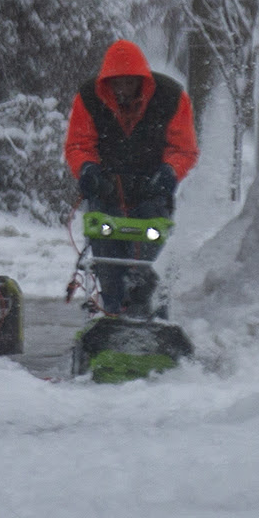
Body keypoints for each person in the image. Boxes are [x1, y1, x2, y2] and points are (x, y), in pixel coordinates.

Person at [64, 39, 198, 315]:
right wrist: (87, 169)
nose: (123, 89)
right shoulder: (89, 98)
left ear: (141, 81)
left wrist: (169, 172)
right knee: (107, 257)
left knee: (148, 260)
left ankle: (147, 310)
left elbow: (184, 148)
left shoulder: (171, 97)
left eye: (128, 83)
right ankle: (112, 309)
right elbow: (79, 144)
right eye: (117, 83)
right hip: (107, 192)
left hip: (151, 194)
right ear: (107, 83)